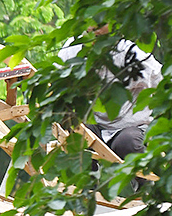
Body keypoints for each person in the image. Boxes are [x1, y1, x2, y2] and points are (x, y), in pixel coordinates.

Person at [60, 29, 162, 159]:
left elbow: (163, 81)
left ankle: (144, 178)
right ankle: (90, 177)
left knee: (126, 143)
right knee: (75, 136)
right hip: (94, 125)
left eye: (100, 25)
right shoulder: (73, 48)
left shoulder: (128, 52)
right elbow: (54, 84)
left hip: (130, 127)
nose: (94, 29)